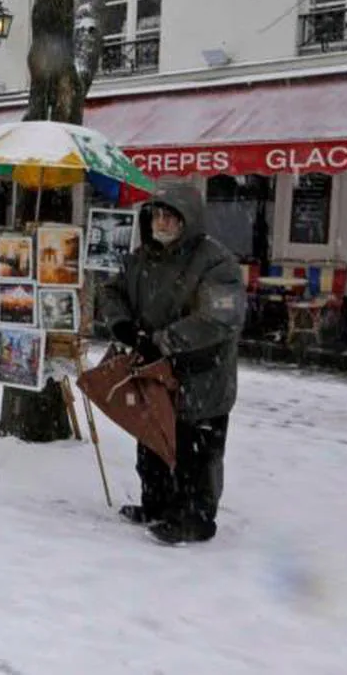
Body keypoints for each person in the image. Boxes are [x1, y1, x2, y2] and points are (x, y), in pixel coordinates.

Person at [98, 180, 245, 546]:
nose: (161, 223)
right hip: (153, 374)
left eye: (170, 217)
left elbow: (218, 318)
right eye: (156, 215)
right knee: (153, 441)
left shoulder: (216, 262)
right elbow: (111, 290)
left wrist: (163, 341)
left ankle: (195, 519)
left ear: (188, 220)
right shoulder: (142, 257)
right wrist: (121, 324)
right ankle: (158, 504)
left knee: (196, 451)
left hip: (201, 376)